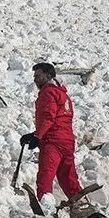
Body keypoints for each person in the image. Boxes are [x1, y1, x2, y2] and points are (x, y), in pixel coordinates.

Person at [19, 62, 84, 202]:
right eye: (34, 76)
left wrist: (37, 136)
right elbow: (58, 120)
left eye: (38, 76)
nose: (35, 79)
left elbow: (49, 117)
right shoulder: (62, 94)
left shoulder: (48, 92)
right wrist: (34, 134)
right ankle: (83, 207)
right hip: (67, 140)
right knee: (68, 178)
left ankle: (45, 207)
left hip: (52, 142)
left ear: (48, 75)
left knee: (45, 176)